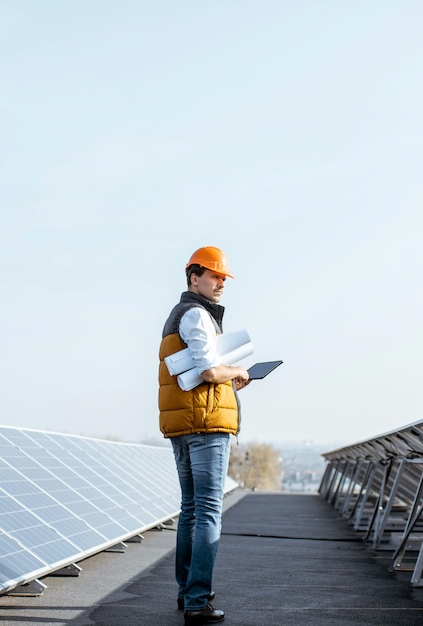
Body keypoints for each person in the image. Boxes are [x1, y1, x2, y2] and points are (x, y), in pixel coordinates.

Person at [158, 246, 250, 626]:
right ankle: (198, 600)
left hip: (184, 425)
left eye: (223, 278)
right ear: (194, 277)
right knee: (208, 511)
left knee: (192, 510)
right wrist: (238, 371)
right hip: (205, 427)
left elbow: (196, 373)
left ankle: (187, 593)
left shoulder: (176, 315)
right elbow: (210, 371)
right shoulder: (196, 315)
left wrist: (227, 379)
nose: (220, 283)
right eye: (215, 276)